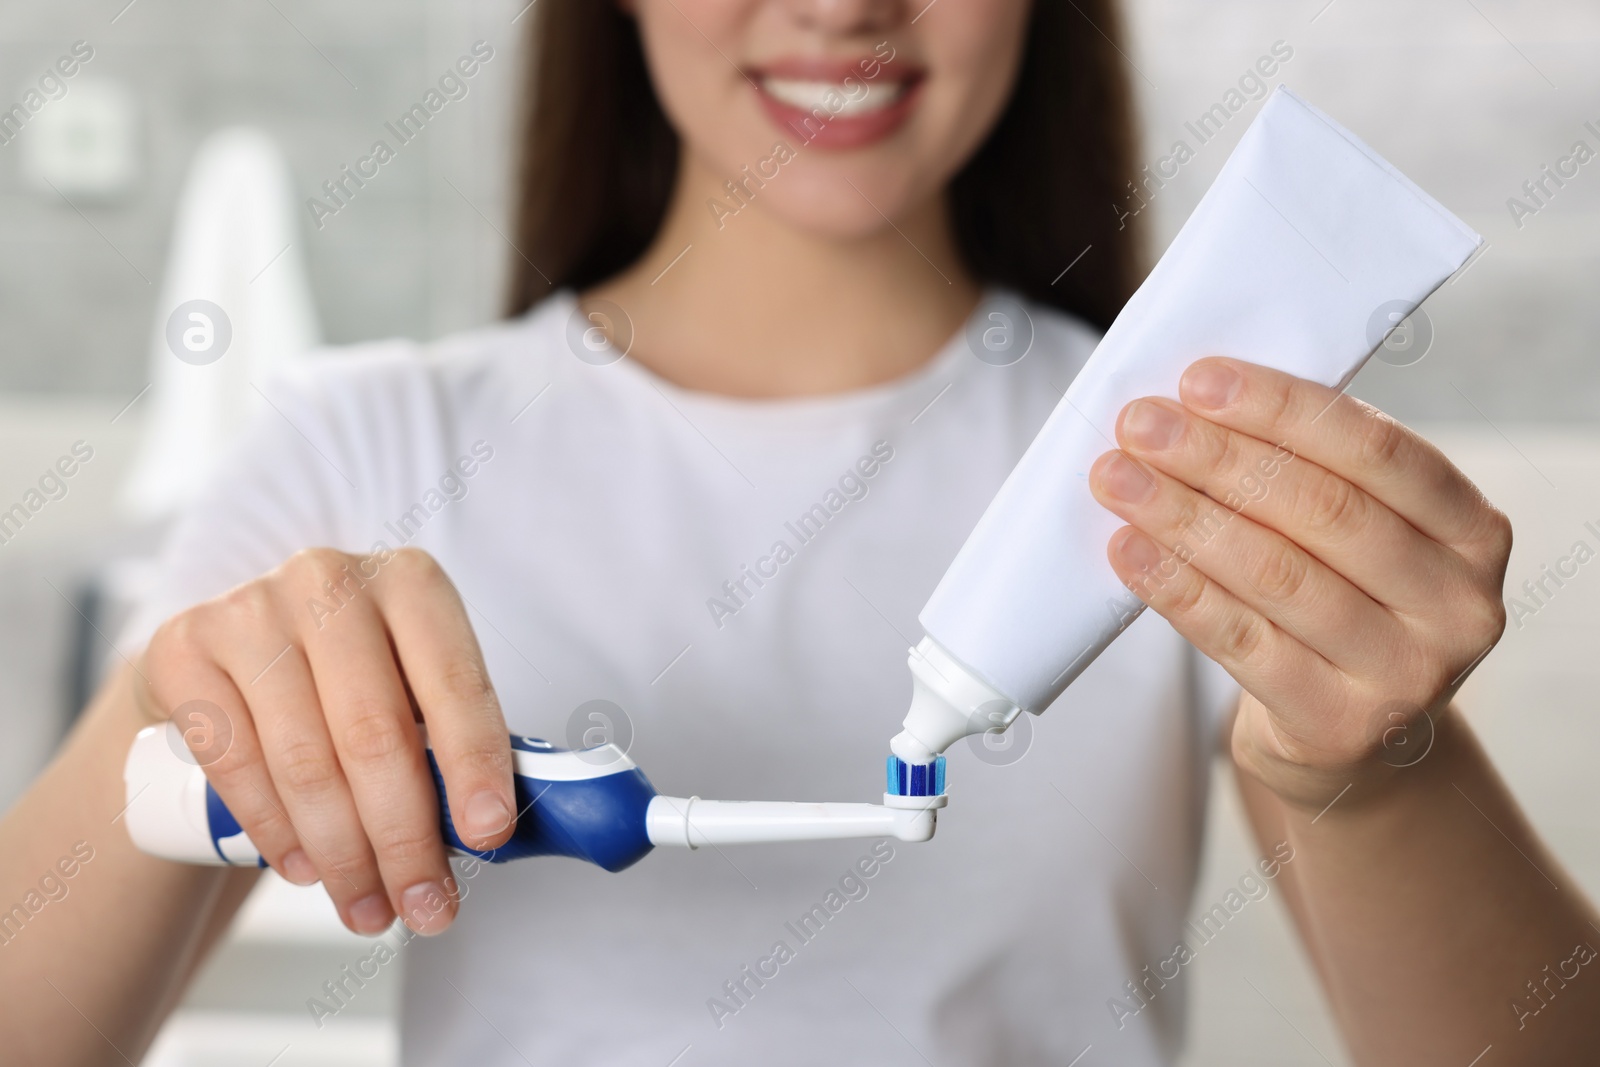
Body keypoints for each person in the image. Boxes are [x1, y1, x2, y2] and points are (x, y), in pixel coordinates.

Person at [3, 2, 1596, 1064]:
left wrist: (1379, 783)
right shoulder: (364, 447)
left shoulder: (1165, 463)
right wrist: (170, 702)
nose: (843, 4)